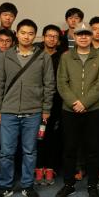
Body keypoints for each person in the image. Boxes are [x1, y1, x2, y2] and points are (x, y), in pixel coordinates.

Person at [0, 19, 55, 197]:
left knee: (29, 151)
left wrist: (46, 109)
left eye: (30, 33)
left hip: (33, 112)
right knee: (6, 152)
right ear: (16, 34)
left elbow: (49, 85)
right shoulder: (6, 56)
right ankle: (5, 186)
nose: (26, 36)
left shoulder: (43, 57)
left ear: (35, 36)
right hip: (9, 111)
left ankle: (27, 185)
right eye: (23, 33)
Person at [55, 23, 99, 197]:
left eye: (87, 34)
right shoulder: (66, 57)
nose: (84, 37)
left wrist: (85, 103)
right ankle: (68, 184)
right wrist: (74, 102)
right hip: (70, 110)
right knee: (69, 149)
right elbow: (61, 82)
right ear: (74, 37)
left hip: (93, 110)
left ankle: (92, 186)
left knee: (93, 149)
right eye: (80, 34)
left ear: (92, 36)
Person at [35, 24, 64, 185]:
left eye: (55, 37)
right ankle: (39, 167)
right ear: (43, 37)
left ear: (58, 40)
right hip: (36, 102)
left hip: (57, 102)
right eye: (49, 36)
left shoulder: (63, 57)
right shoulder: (36, 54)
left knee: (53, 136)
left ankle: (51, 167)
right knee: (38, 136)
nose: (52, 39)